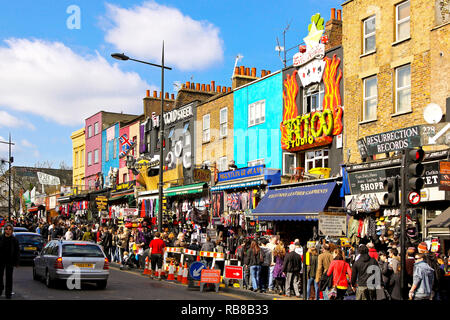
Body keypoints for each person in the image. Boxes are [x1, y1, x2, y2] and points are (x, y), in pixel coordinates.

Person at [0, 224, 20, 299]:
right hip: (1, 260)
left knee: (9, 278)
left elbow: (17, 252)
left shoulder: (14, 240)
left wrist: (17, 262)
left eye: (9, 229)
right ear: (4, 230)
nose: (8, 230)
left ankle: (8, 293)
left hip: (10, 260)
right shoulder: (1, 238)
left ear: (12, 231)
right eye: (6, 229)